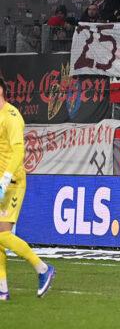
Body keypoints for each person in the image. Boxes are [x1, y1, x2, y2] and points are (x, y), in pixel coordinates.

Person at [0, 78, 56, 300]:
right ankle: (2, 288)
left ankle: (43, 269)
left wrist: (5, 179)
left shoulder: (12, 117)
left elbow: (18, 151)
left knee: (2, 235)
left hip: (12, 183)